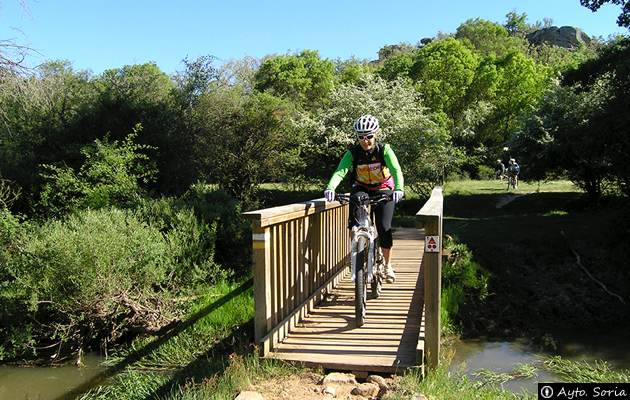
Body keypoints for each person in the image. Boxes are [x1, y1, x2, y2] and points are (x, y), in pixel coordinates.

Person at [323, 114, 404, 283]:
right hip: (362, 188)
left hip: (383, 189)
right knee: (355, 220)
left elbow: (396, 170)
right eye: (361, 137)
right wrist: (331, 187)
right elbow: (340, 171)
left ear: (376, 134)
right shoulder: (353, 153)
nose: (365, 141)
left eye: (369, 137)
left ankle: (388, 265)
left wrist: (398, 188)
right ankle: (356, 250)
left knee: (383, 226)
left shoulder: (384, 150)